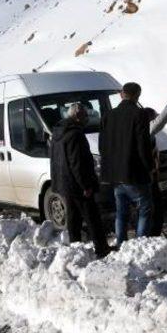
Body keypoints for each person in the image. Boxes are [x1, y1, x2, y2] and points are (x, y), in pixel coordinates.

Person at [50, 103, 109, 258]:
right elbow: (77, 163)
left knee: (73, 217)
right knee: (92, 217)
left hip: (64, 183)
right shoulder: (75, 134)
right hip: (78, 184)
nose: (87, 118)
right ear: (77, 116)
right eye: (85, 115)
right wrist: (86, 185)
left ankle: (75, 248)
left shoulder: (57, 132)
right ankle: (102, 249)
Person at [100, 82, 154, 245]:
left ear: (122, 94)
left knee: (121, 212)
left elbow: (102, 146)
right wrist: (149, 168)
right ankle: (140, 244)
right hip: (133, 173)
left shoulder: (108, 115)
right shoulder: (139, 114)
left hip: (114, 175)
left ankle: (121, 243)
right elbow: (142, 145)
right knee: (145, 208)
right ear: (138, 96)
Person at [144, 89, 167, 236]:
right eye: (153, 117)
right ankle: (153, 235)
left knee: (149, 207)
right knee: (154, 208)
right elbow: (160, 121)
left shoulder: (135, 130)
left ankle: (151, 234)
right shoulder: (146, 130)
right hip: (148, 176)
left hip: (146, 175)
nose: (155, 118)